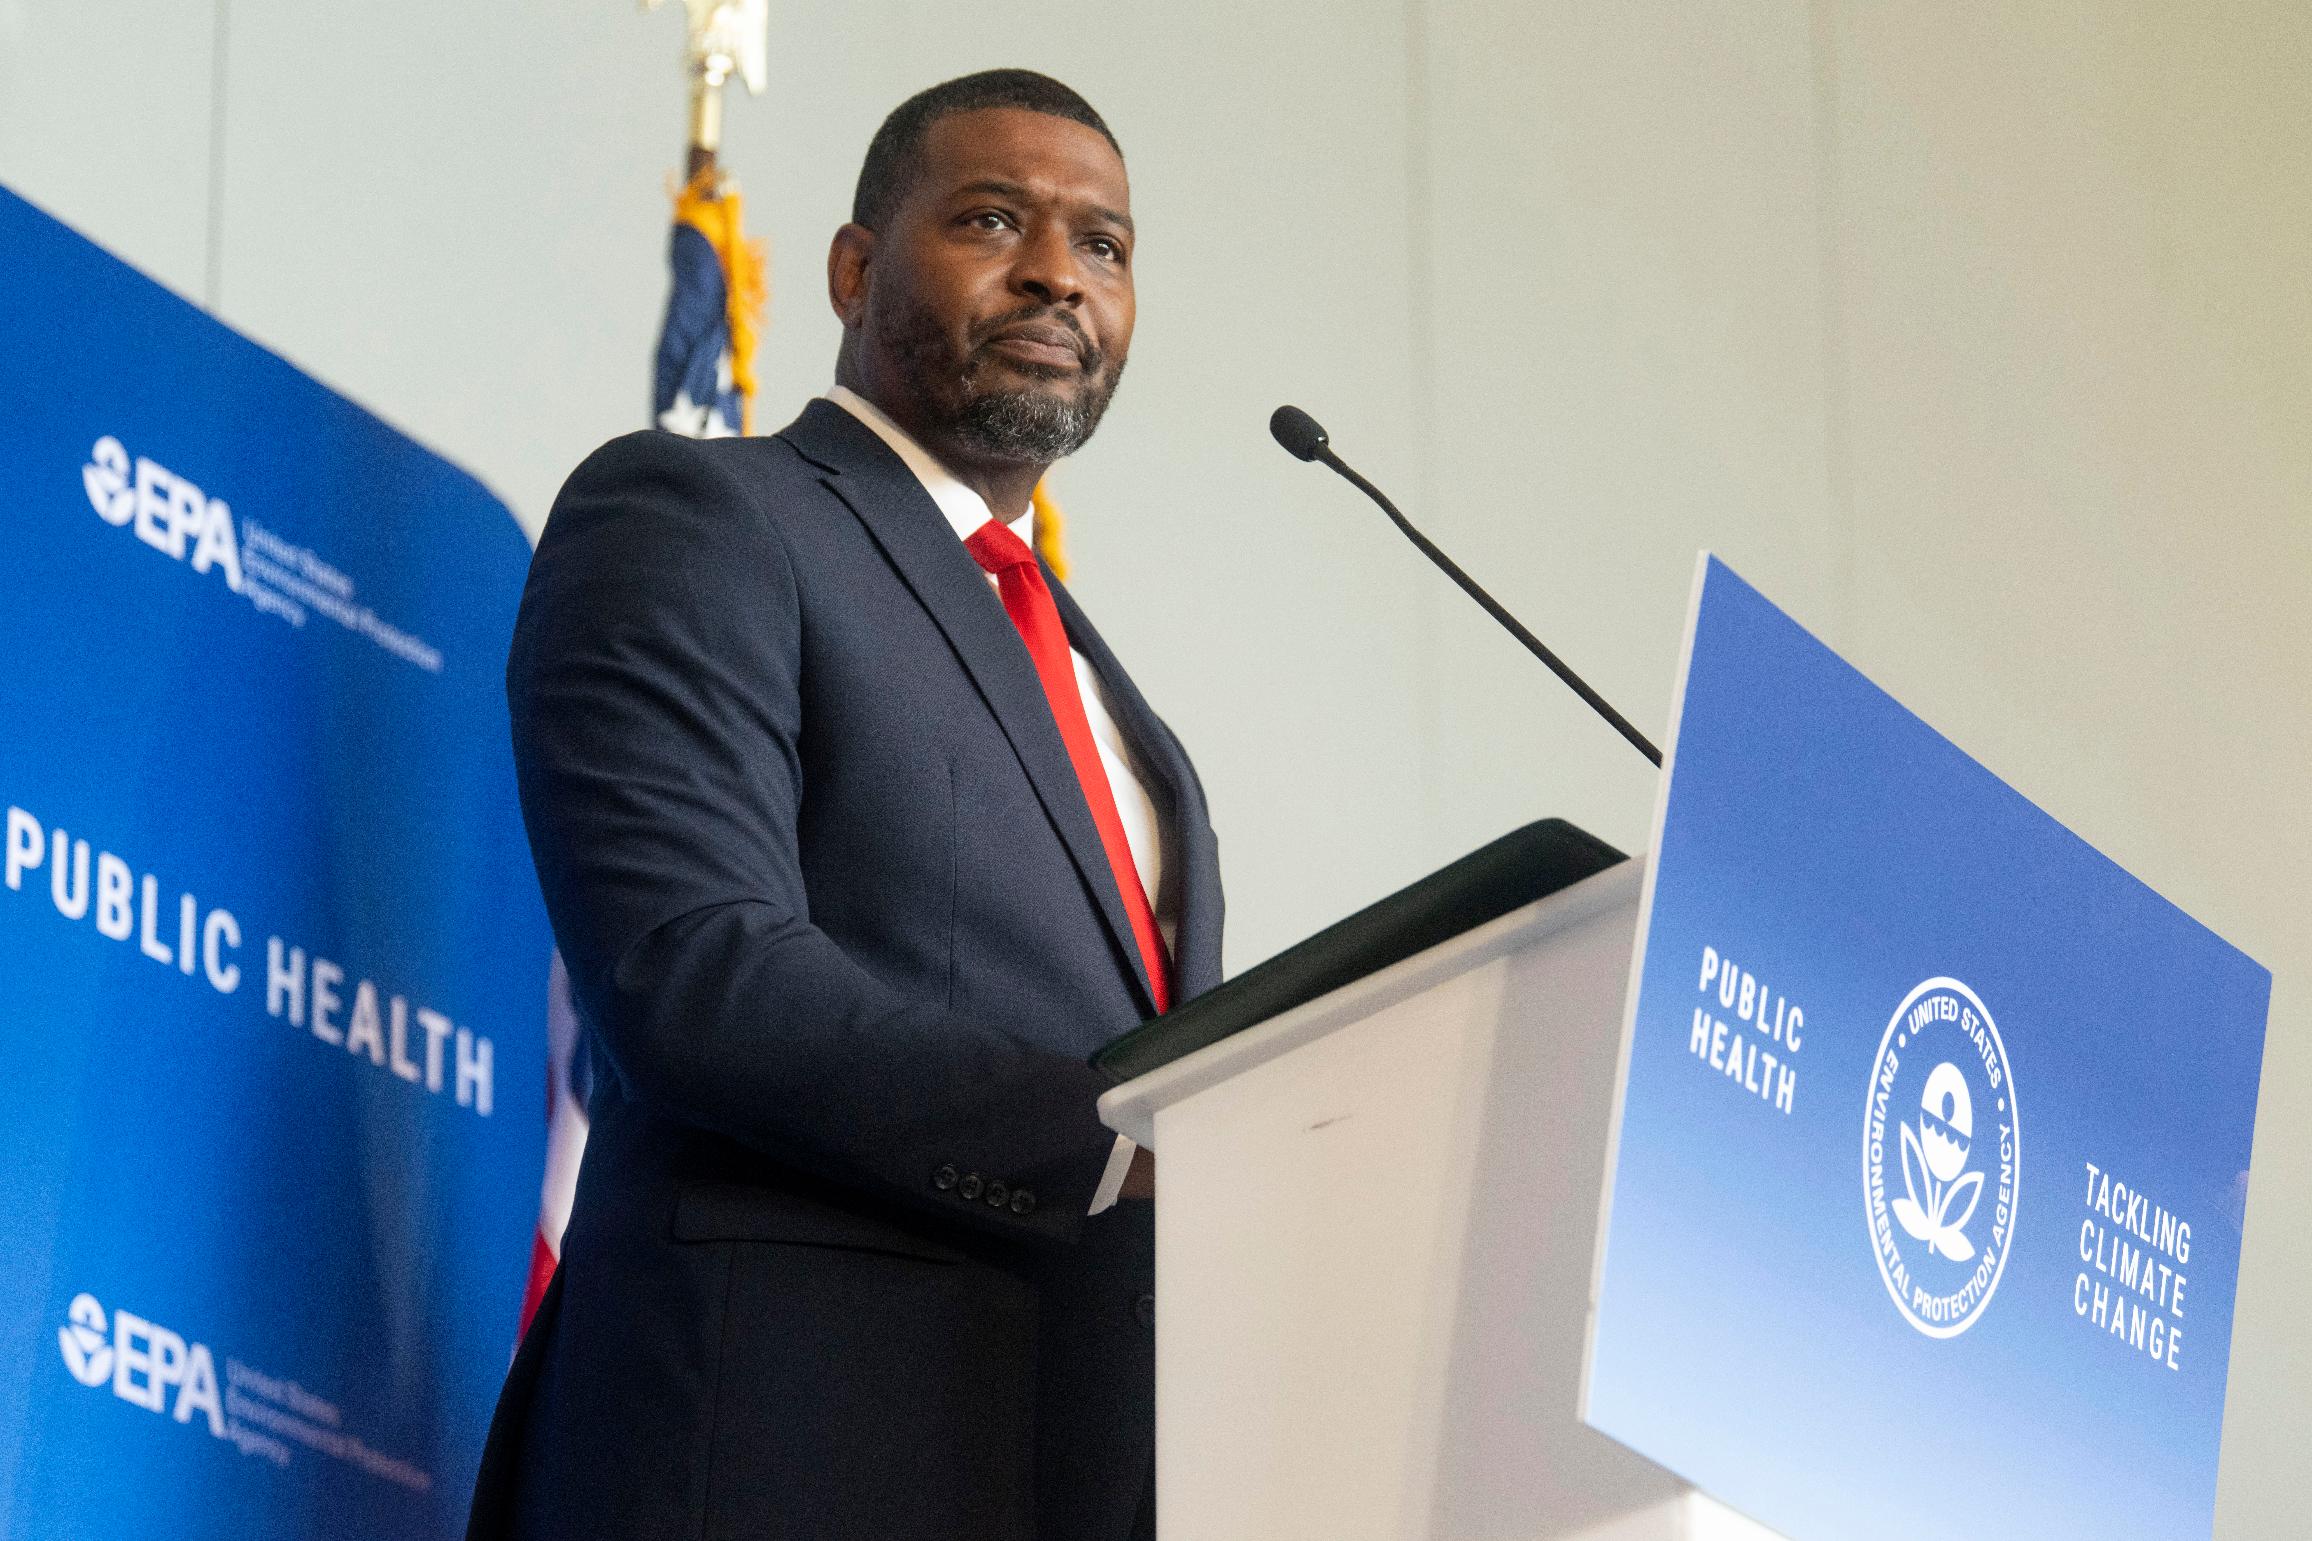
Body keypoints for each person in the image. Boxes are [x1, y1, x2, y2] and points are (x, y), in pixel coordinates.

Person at [464, 68, 1221, 1541]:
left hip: (1062, 1468)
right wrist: (1122, 1145)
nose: (1059, 271)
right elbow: (695, 969)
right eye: (996, 219)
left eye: (1106, 245)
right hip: (775, 1449)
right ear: (853, 268)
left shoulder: (1134, 725)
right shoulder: (701, 517)